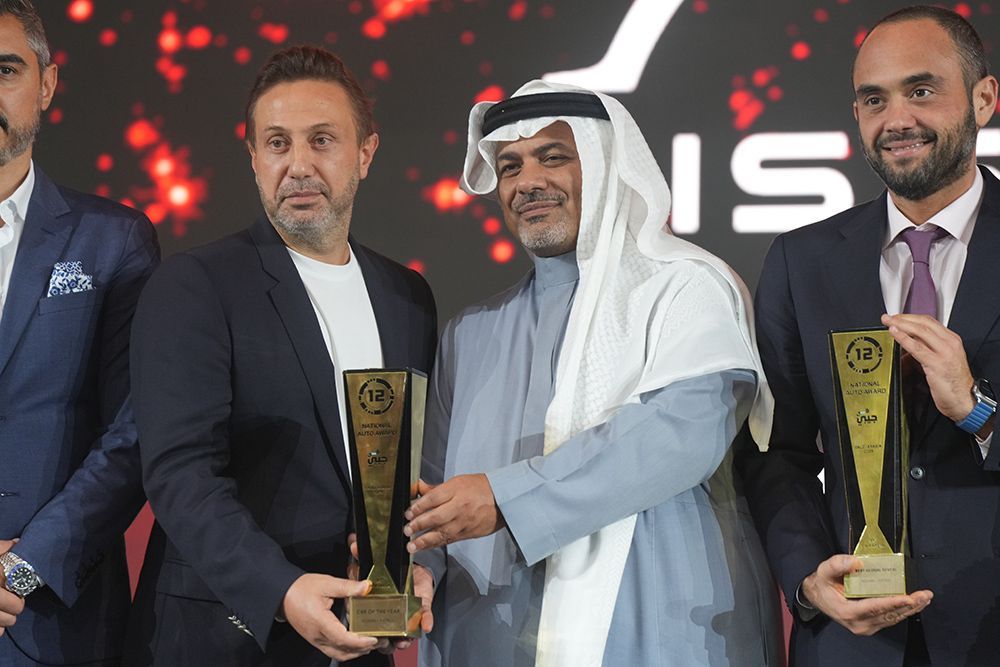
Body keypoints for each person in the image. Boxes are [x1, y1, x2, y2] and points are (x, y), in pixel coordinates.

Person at [404, 80, 782, 666]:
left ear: (607, 166)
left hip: (656, 631)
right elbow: (430, 487)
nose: (528, 182)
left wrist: (507, 499)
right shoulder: (470, 331)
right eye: (509, 166)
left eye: (554, 157)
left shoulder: (685, 285)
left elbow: (681, 436)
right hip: (484, 638)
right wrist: (415, 568)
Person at [124, 46, 436, 666]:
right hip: (219, 640)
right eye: (277, 143)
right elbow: (181, 475)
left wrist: (411, 564)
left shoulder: (408, 297)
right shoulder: (197, 284)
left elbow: (397, 473)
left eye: (322, 141)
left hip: (357, 637)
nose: (298, 165)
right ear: (253, 157)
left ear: (365, 153)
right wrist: (283, 589)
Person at [736, 6, 1000, 666]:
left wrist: (978, 411)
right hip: (852, 643)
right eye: (873, 99)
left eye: (922, 90)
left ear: (984, 98)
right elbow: (778, 453)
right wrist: (806, 577)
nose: (897, 120)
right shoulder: (802, 261)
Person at [0, 1, 160, 664]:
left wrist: (22, 568)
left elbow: (134, 431)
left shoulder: (113, 240)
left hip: (52, 621)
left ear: (47, 83)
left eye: (5, 70)